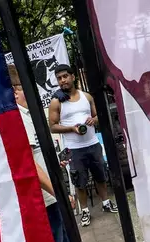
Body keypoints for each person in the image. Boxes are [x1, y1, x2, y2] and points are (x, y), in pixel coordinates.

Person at [8, 65, 100, 242]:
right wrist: (57, 192)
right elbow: (30, 163)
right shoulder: (20, 119)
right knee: (55, 237)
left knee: (64, 230)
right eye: (25, 87)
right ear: (15, 91)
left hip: (50, 185)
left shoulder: (27, 113)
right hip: (45, 192)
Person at [48, 64, 118, 227]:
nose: (62, 80)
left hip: (93, 144)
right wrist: (71, 128)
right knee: (80, 181)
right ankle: (85, 211)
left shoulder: (86, 97)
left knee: (101, 175)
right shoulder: (56, 102)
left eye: (65, 76)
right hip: (74, 149)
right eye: (59, 78)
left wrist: (94, 120)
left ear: (73, 76)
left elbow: (97, 116)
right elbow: (52, 126)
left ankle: (106, 202)